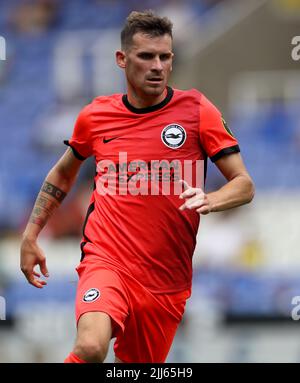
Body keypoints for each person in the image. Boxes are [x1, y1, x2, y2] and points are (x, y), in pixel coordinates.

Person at [20, 10, 255, 363]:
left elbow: (244, 184)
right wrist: (31, 233)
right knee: (90, 347)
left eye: (164, 57)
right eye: (146, 56)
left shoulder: (197, 111)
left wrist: (210, 198)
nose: (157, 66)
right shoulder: (96, 116)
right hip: (107, 260)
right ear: (122, 58)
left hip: (166, 281)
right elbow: (62, 174)